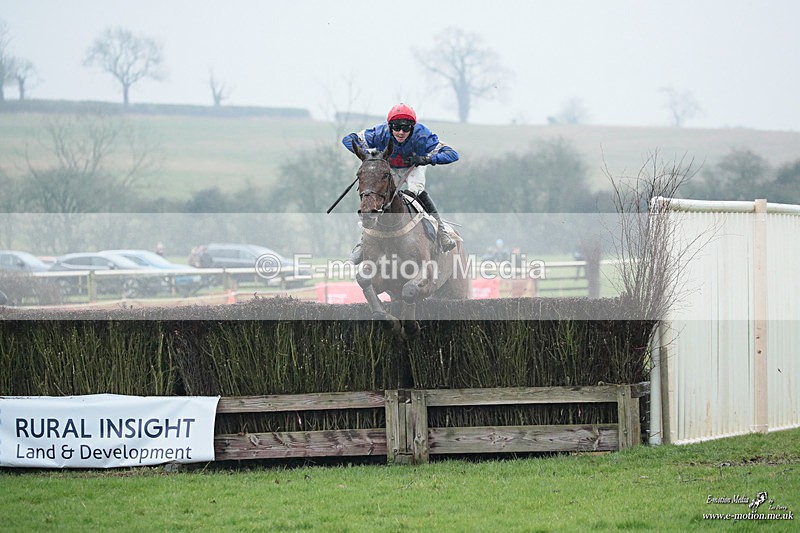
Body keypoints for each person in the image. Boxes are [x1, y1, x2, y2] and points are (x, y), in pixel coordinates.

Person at [342, 103, 458, 263]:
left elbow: (452, 154)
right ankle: (362, 244)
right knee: (376, 196)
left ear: (413, 127)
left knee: (415, 191)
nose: (401, 132)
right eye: (396, 127)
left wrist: (427, 159)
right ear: (390, 126)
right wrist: (367, 155)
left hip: (413, 167)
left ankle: (442, 232)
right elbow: (348, 139)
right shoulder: (379, 132)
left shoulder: (422, 135)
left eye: (406, 128)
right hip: (388, 168)